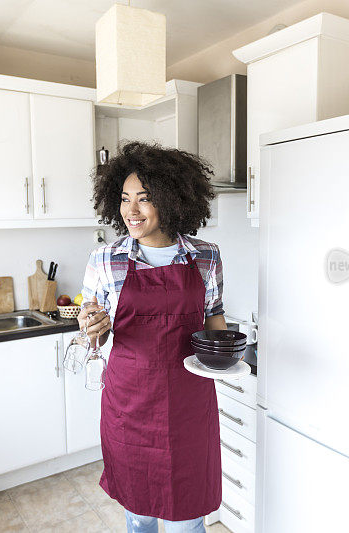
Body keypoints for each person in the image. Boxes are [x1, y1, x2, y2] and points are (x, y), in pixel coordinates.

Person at [80, 141, 227, 533]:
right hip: (130, 404)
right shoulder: (104, 259)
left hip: (189, 402)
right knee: (140, 516)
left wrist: (228, 352)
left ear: (171, 199)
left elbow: (213, 317)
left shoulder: (205, 256)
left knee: (186, 520)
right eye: (125, 199)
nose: (131, 210)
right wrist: (90, 327)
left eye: (144, 199)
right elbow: (88, 323)